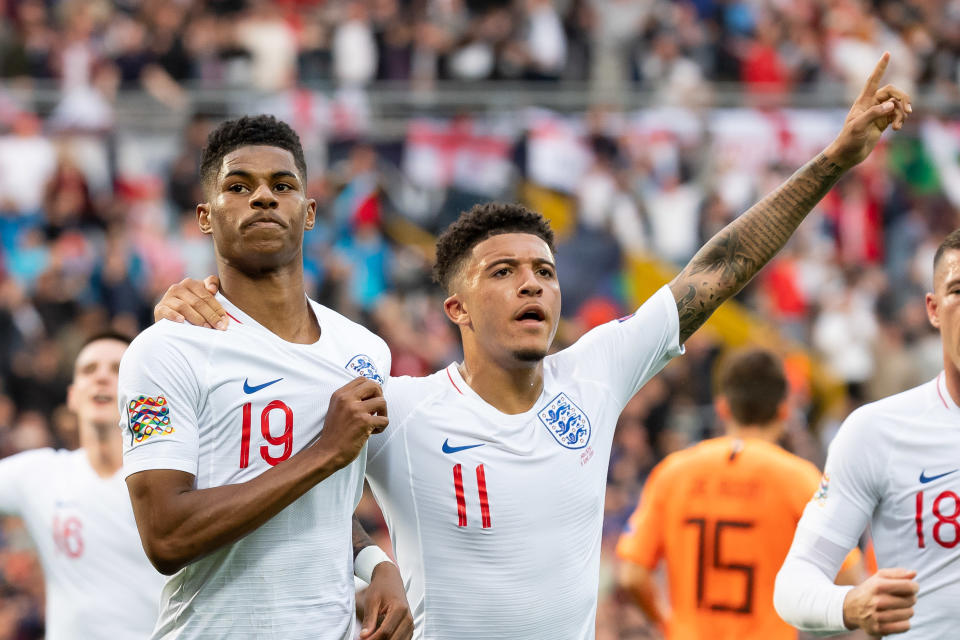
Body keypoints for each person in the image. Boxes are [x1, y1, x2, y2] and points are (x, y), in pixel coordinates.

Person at [157, 54, 910, 638]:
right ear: (455, 305)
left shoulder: (597, 373)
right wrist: (372, 558)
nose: (533, 287)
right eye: (505, 272)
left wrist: (836, 160)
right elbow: (310, 494)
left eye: (544, 273)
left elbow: (717, 268)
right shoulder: (402, 408)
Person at [118, 115, 413, 640]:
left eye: (282, 186)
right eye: (239, 186)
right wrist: (324, 451)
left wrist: (376, 565)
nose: (263, 198)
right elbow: (166, 537)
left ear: (310, 212)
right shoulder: (165, 349)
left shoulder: (365, 352)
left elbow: (322, 507)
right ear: (206, 217)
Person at [773, 228, 960, 638]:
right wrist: (848, 604)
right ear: (932, 309)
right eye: (958, 290)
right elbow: (793, 583)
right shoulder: (877, 432)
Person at [615, 348, 863, 639]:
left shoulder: (673, 472)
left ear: (722, 407)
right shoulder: (799, 479)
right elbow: (847, 579)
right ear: (784, 410)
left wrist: (666, 621)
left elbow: (632, 576)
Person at [0, 332, 166, 639]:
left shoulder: (167, 479)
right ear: (73, 396)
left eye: (118, 369)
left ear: (140, 391)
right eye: (89, 370)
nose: (102, 377)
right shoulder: (39, 473)